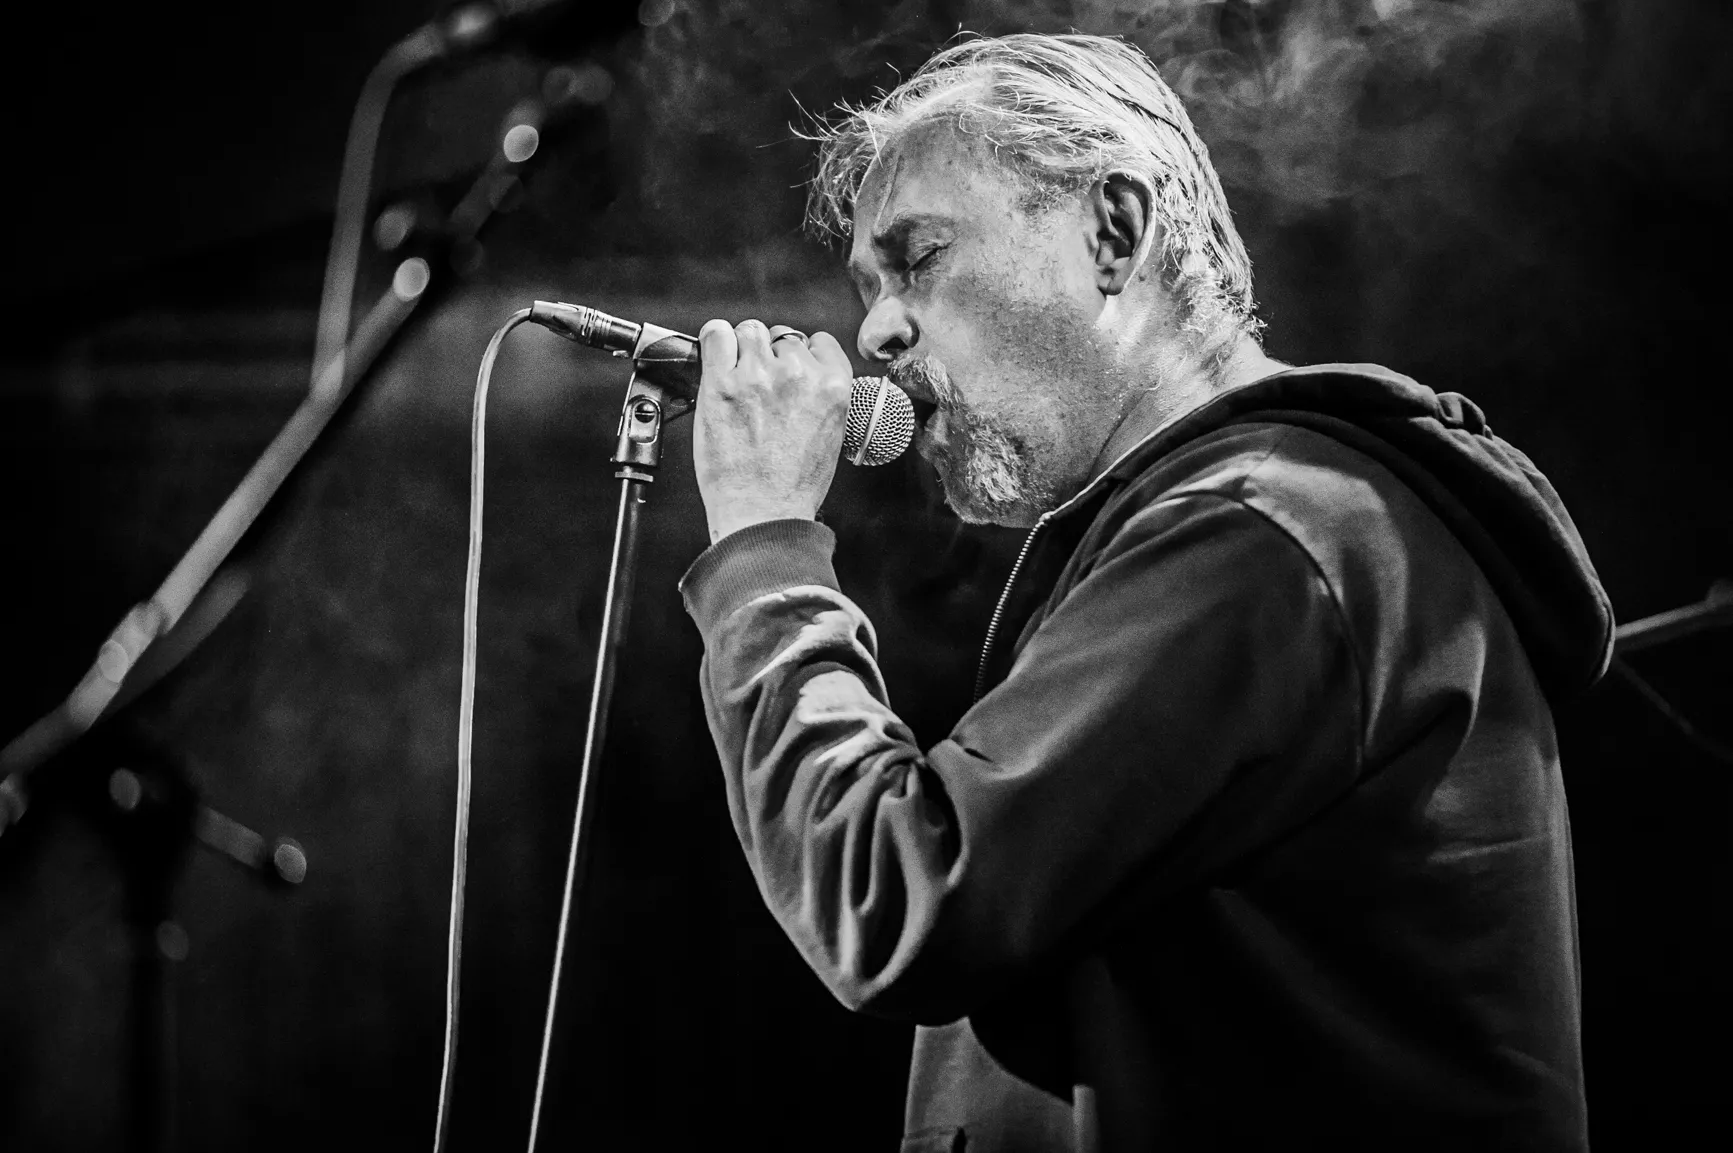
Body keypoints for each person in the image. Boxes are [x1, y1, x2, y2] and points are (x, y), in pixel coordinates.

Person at [678, 33, 1610, 1153]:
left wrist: (763, 545)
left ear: (1113, 231)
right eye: (868, 290)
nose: (875, 331)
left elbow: (894, 893)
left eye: (916, 257)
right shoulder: (1247, 528)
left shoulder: (1266, 532)